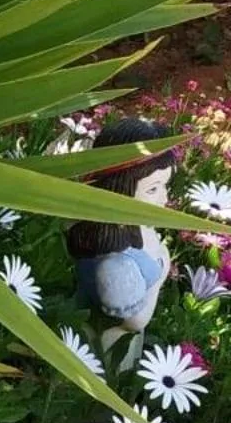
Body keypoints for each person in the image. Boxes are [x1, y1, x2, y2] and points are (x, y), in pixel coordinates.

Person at [64, 117, 178, 361]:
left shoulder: (111, 224)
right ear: (119, 188)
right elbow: (134, 321)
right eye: (152, 189)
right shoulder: (115, 264)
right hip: (107, 348)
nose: (164, 199)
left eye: (165, 186)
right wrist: (160, 273)